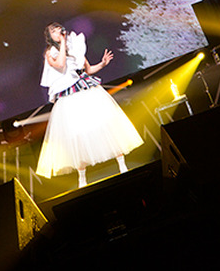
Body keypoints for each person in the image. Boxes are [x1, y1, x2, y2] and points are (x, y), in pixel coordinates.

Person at [36, 22, 143, 188]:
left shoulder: (75, 46)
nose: (58, 33)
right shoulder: (50, 53)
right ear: (50, 37)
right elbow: (60, 65)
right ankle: (82, 178)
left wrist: (102, 63)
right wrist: (63, 43)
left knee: (105, 124)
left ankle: (122, 165)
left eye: (59, 30)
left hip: (86, 90)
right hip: (69, 97)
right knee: (78, 135)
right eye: (54, 32)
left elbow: (88, 69)